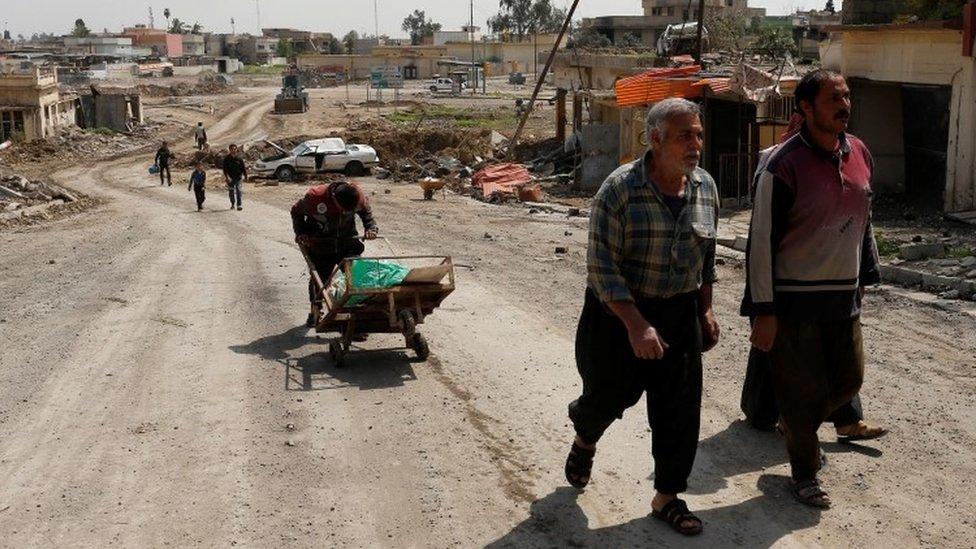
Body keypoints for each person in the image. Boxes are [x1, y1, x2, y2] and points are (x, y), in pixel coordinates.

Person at [564, 98, 720, 537]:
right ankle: (585, 437)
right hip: (617, 313)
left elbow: (706, 257)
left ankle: (667, 496)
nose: (696, 145)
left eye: (699, 135)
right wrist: (637, 324)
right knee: (607, 397)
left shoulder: (705, 187)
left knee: (680, 409)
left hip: (678, 310)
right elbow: (602, 269)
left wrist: (705, 308)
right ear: (655, 139)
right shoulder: (618, 190)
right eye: (684, 135)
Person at [741, 69, 881, 509]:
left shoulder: (859, 151)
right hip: (794, 301)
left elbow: (864, 217)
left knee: (848, 380)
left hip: (842, 298)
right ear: (805, 108)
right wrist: (764, 310)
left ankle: (796, 423)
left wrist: (864, 277)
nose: (844, 105)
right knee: (802, 396)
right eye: (832, 98)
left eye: (846, 96)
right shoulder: (781, 166)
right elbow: (759, 243)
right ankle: (803, 473)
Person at [291, 181, 379, 327]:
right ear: (334, 198)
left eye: (349, 211)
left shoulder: (357, 195)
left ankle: (355, 318)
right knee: (320, 281)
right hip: (321, 245)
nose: (345, 213)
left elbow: (366, 212)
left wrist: (371, 227)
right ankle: (316, 311)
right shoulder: (315, 197)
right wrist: (301, 232)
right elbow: (296, 211)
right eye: (343, 210)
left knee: (357, 278)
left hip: (347, 243)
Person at [222, 144, 247, 211]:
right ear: (229, 150)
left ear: (236, 149)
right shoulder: (227, 159)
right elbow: (224, 169)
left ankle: (239, 205)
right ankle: (232, 203)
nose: (233, 150)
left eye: (234, 149)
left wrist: (245, 176)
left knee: (238, 190)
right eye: (232, 149)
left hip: (238, 177)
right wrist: (227, 177)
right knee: (231, 192)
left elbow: (243, 168)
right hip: (230, 178)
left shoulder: (239, 158)